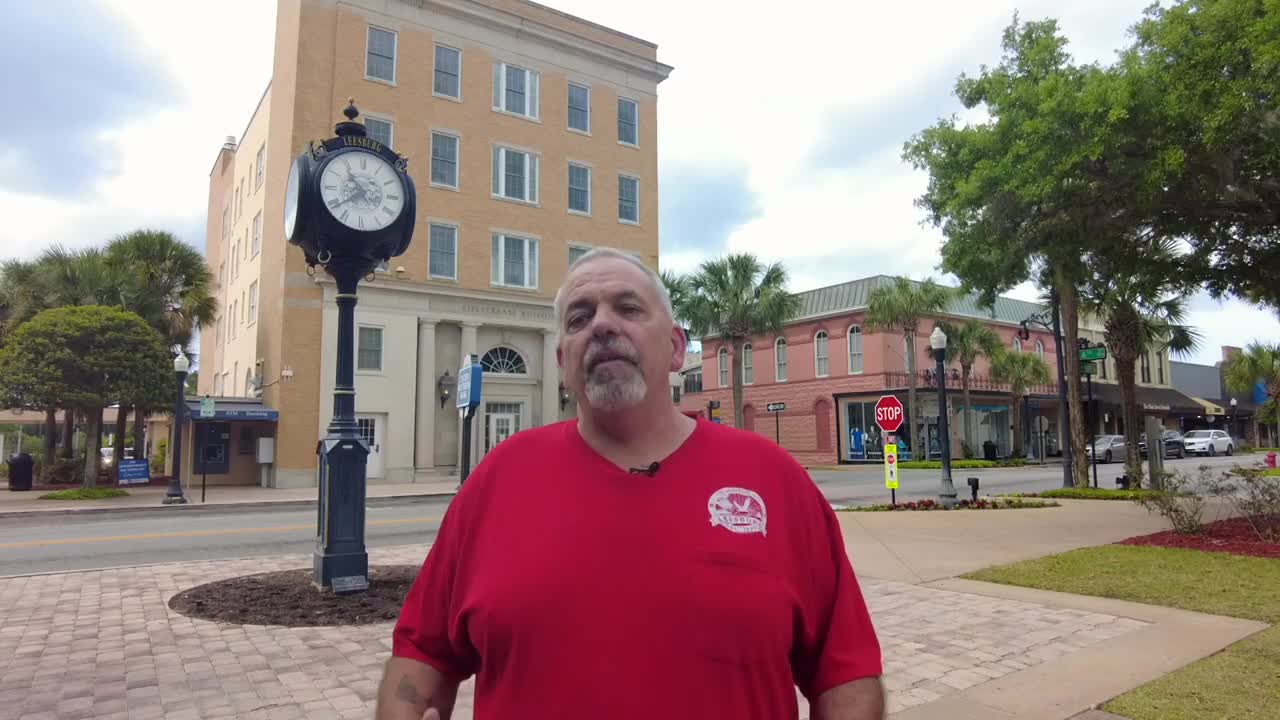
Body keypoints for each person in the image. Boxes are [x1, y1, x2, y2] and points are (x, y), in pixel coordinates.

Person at [375, 248, 885, 720]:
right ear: (561, 364)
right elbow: (421, 656)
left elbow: (846, 673)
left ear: (676, 348)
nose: (601, 325)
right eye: (579, 318)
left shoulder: (774, 481)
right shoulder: (495, 484)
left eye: (628, 308)